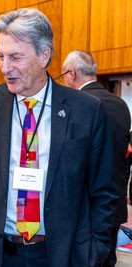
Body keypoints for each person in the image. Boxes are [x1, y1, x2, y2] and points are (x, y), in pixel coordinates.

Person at [0, 8, 118, 267]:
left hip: (61, 255)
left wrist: (94, 251)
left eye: (16, 57)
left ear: (44, 56)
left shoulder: (85, 111)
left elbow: (104, 192)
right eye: (0, 56)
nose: (6, 68)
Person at [62, 50, 132, 266]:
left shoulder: (78, 105)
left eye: (63, 74)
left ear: (72, 73)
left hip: (84, 208)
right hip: (115, 205)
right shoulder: (121, 105)